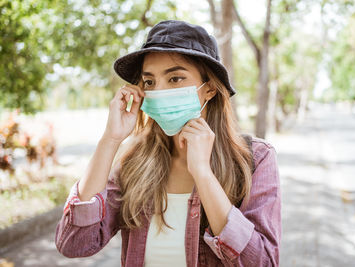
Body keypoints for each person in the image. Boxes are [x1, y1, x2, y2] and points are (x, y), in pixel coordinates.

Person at [55, 20, 281, 267]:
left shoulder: (255, 159)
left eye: (175, 79)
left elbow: (263, 262)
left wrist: (203, 174)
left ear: (210, 89)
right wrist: (110, 140)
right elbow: (74, 243)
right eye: (150, 82)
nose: (159, 91)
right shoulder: (135, 162)